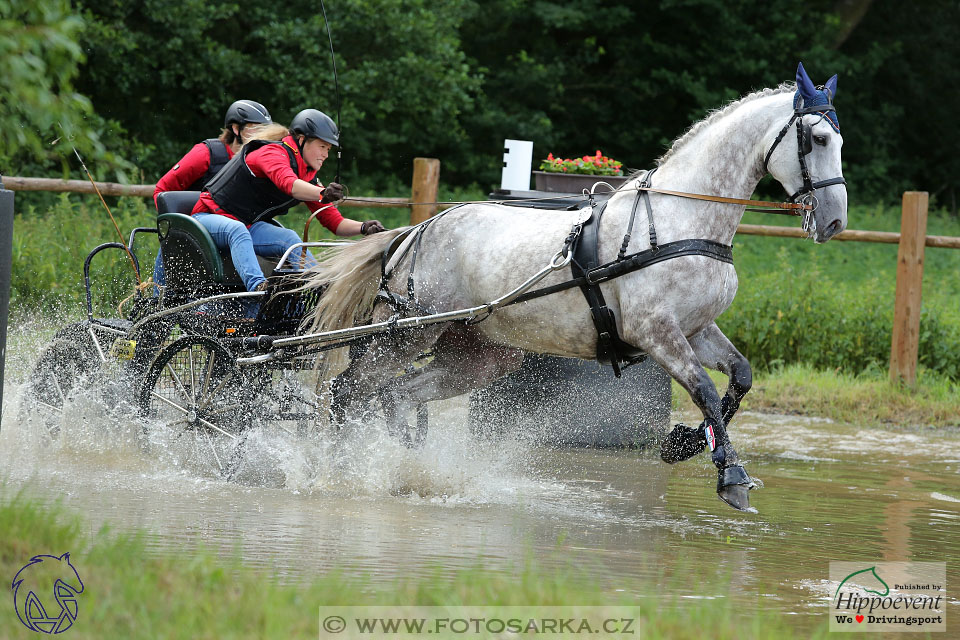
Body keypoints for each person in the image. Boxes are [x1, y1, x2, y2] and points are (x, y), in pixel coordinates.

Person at [190, 108, 385, 292]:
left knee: (290, 238)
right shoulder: (272, 153)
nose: (326, 155)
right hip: (207, 217)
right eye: (322, 146)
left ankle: (318, 289)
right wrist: (322, 192)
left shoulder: (308, 177)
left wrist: (364, 227)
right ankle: (258, 289)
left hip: (248, 226)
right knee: (237, 230)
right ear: (302, 140)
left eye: (329, 149)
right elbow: (288, 184)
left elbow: (335, 223)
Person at [153, 100, 274, 286]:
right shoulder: (208, 153)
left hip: (232, 229)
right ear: (235, 129)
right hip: (196, 228)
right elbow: (163, 189)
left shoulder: (260, 162)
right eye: (255, 128)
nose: (262, 135)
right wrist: (180, 231)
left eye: (265, 130)